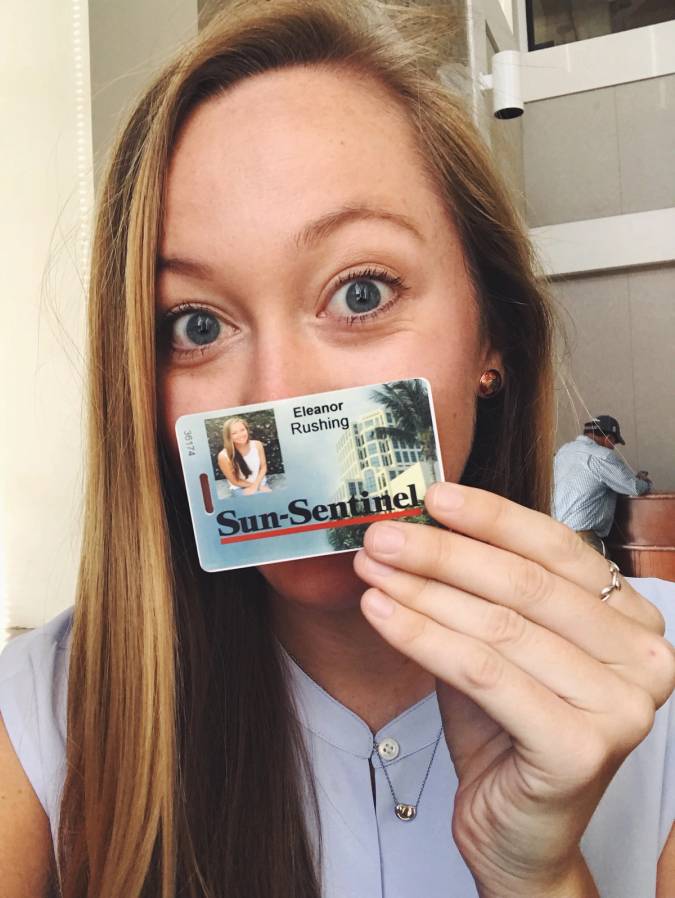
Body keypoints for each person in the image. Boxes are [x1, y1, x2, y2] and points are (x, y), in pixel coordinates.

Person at [1, 2, 674, 897]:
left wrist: (538, 876)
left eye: (361, 292)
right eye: (195, 324)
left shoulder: (656, 683)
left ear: (491, 339)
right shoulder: (43, 713)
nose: (278, 400)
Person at [553, 415, 652, 555]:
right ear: (608, 439)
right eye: (614, 443)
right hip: (583, 540)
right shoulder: (603, 456)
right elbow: (634, 487)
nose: (612, 448)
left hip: (555, 534)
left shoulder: (564, 451)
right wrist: (646, 482)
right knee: (605, 575)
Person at [218, 417, 272, 494]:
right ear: (228, 436)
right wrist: (256, 487)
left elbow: (263, 467)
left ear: (247, 430)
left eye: (242, 430)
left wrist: (257, 485)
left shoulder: (257, 444)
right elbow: (234, 481)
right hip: (240, 487)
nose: (240, 435)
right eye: (234, 433)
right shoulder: (223, 456)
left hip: (260, 482)